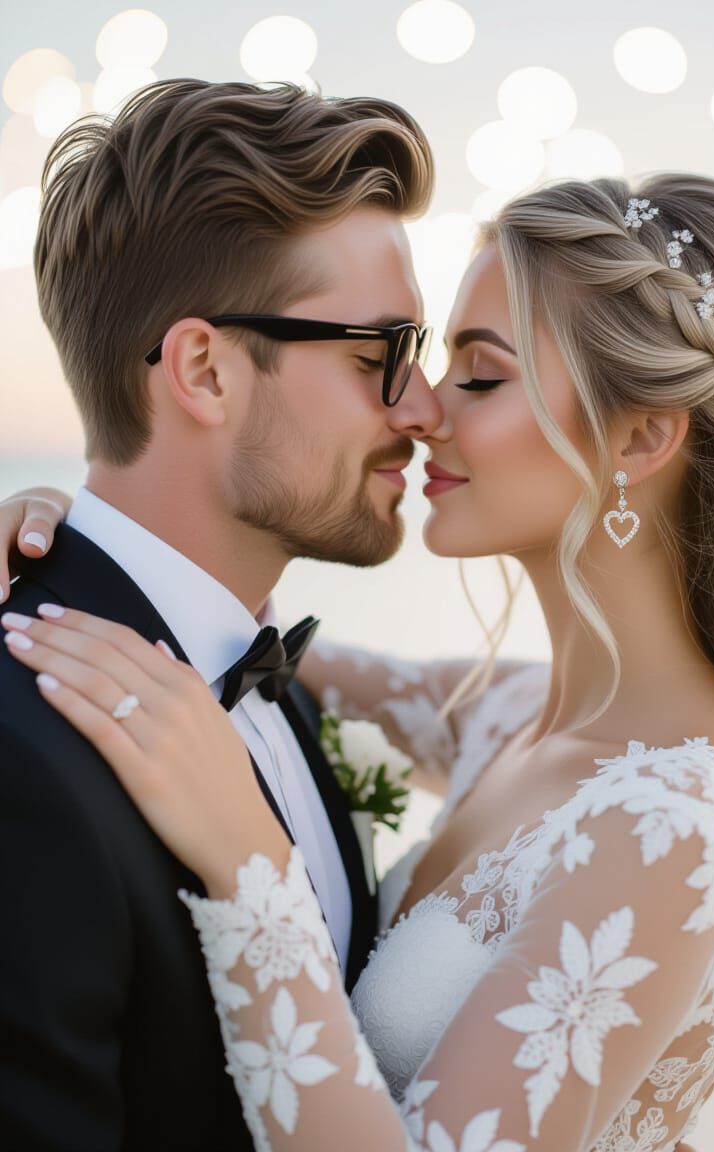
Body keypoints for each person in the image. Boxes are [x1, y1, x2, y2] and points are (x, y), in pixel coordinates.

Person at [4, 170, 714, 1152]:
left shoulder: (676, 826)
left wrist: (252, 867)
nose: (423, 410)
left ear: (637, 437)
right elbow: (239, 645)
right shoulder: (507, 716)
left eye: (478, 374)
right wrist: (66, 534)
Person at [0, 78, 444, 1149]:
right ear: (203, 369)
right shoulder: (17, 751)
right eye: (378, 354)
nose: (421, 409)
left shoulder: (269, 680)